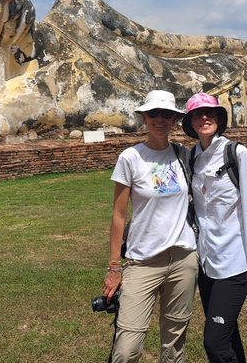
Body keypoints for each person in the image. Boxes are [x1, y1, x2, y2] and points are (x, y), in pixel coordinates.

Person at [102, 90, 198, 363]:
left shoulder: (184, 155)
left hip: (183, 258)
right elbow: (119, 215)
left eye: (166, 114)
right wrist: (113, 266)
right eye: (153, 113)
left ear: (175, 120)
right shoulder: (131, 158)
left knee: (173, 344)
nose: (160, 119)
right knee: (127, 348)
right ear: (144, 117)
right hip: (142, 259)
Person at [182, 92, 247, 363]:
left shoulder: (236, 154)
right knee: (229, 335)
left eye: (210, 113)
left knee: (214, 342)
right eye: (197, 114)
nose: (204, 118)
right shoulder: (192, 158)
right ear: (190, 122)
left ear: (220, 119)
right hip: (207, 263)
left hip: (234, 264)